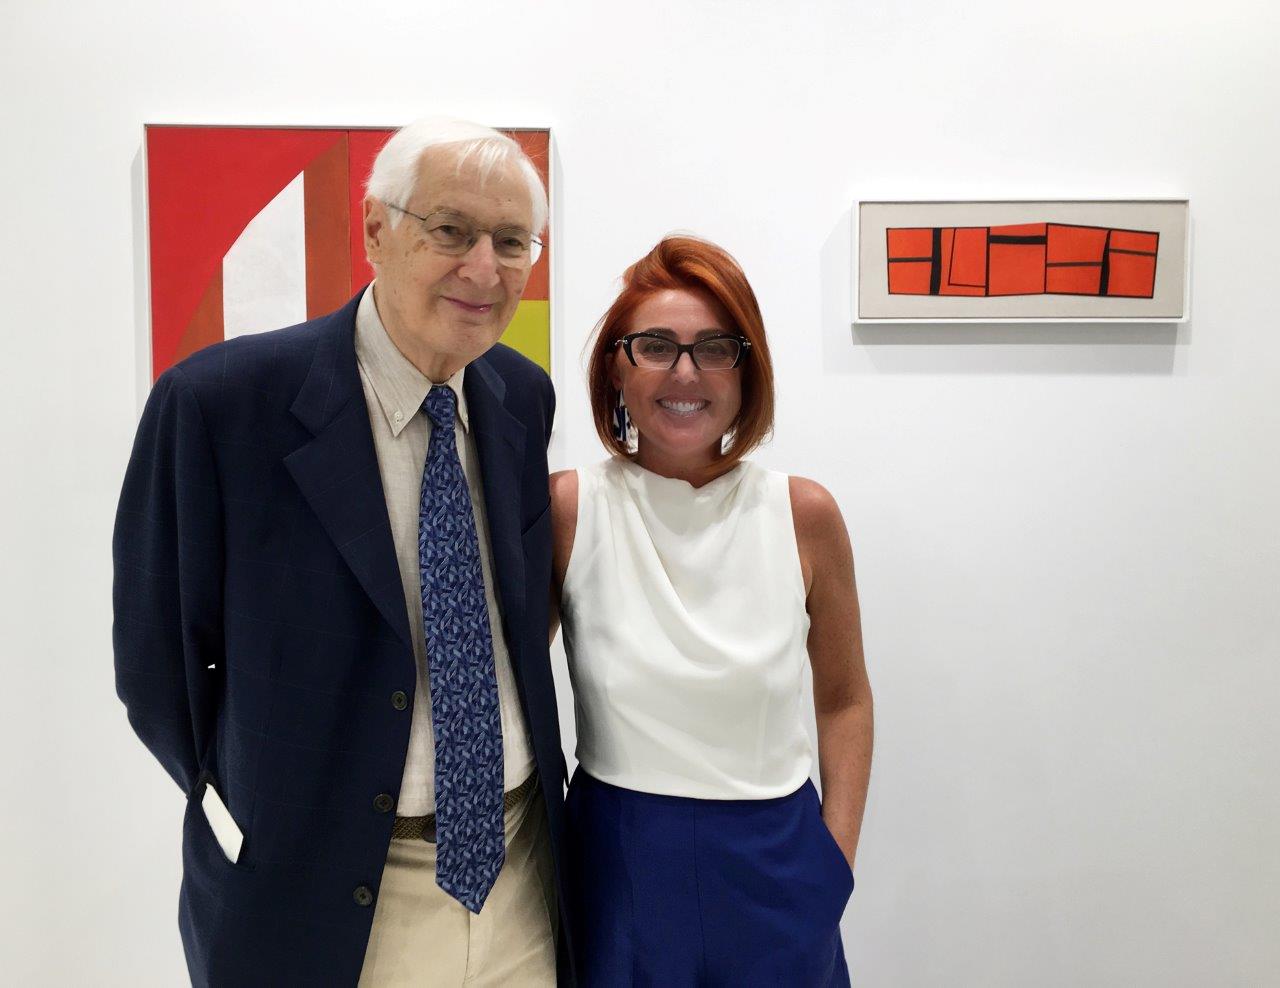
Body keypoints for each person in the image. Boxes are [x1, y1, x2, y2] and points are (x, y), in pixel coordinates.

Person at [114, 117, 570, 986]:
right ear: (375, 230)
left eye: (512, 242)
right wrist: (260, 806)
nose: (485, 269)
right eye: (451, 230)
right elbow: (155, 664)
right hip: (320, 896)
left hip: (520, 879)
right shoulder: (220, 405)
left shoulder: (522, 395)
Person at [549, 235, 873, 985]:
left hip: (778, 865)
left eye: (716, 348)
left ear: (746, 368)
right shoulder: (570, 508)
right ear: (616, 368)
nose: (686, 373)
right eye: (656, 346)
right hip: (617, 866)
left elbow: (845, 699)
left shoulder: (804, 514)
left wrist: (834, 864)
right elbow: (505, 691)